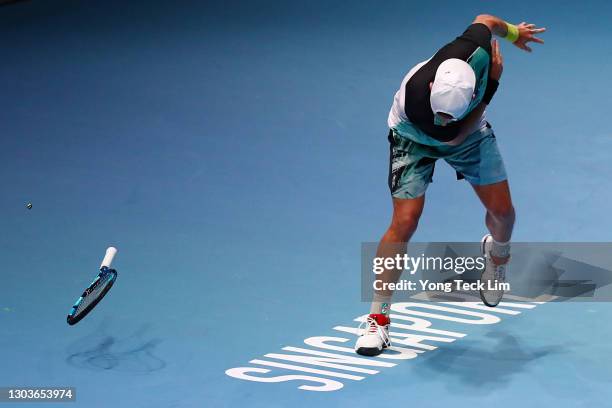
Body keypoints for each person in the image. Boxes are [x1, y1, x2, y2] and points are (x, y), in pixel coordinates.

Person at [355, 15, 546, 356]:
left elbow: (486, 19)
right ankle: (378, 319)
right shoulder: (417, 98)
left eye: (450, 112)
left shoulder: (475, 46)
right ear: (431, 88)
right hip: (413, 138)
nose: (446, 115)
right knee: (404, 221)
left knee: (504, 214)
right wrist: (492, 86)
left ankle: (497, 256)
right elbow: (451, 134)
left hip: (470, 135)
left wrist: (514, 33)